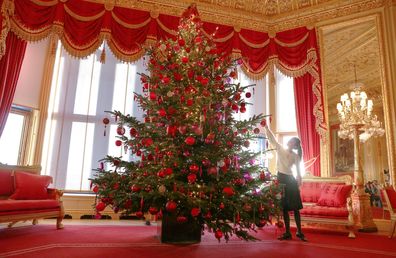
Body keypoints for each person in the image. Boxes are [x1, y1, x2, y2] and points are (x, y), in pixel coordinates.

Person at [264, 124, 307, 241]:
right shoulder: (280, 148)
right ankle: (288, 232)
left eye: (293, 142)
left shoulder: (296, 157)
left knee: (296, 208)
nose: (290, 142)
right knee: (284, 208)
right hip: (281, 180)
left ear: (295, 145)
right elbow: (272, 139)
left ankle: (299, 232)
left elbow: (298, 173)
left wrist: (298, 185)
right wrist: (267, 128)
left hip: (291, 181)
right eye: (290, 141)